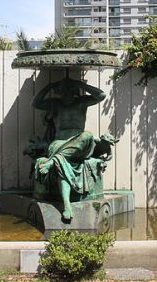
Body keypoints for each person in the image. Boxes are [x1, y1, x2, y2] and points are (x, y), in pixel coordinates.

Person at [29, 77, 109, 221]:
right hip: (59, 144)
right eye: (63, 89)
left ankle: (52, 161)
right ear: (59, 91)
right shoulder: (55, 103)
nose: (66, 92)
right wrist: (49, 86)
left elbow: (101, 95)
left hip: (80, 144)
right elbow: (35, 103)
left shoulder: (82, 102)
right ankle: (67, 205)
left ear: (74, 90)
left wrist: (81, 84)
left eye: (70, 88)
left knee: (88, 135)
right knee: (61, 163)